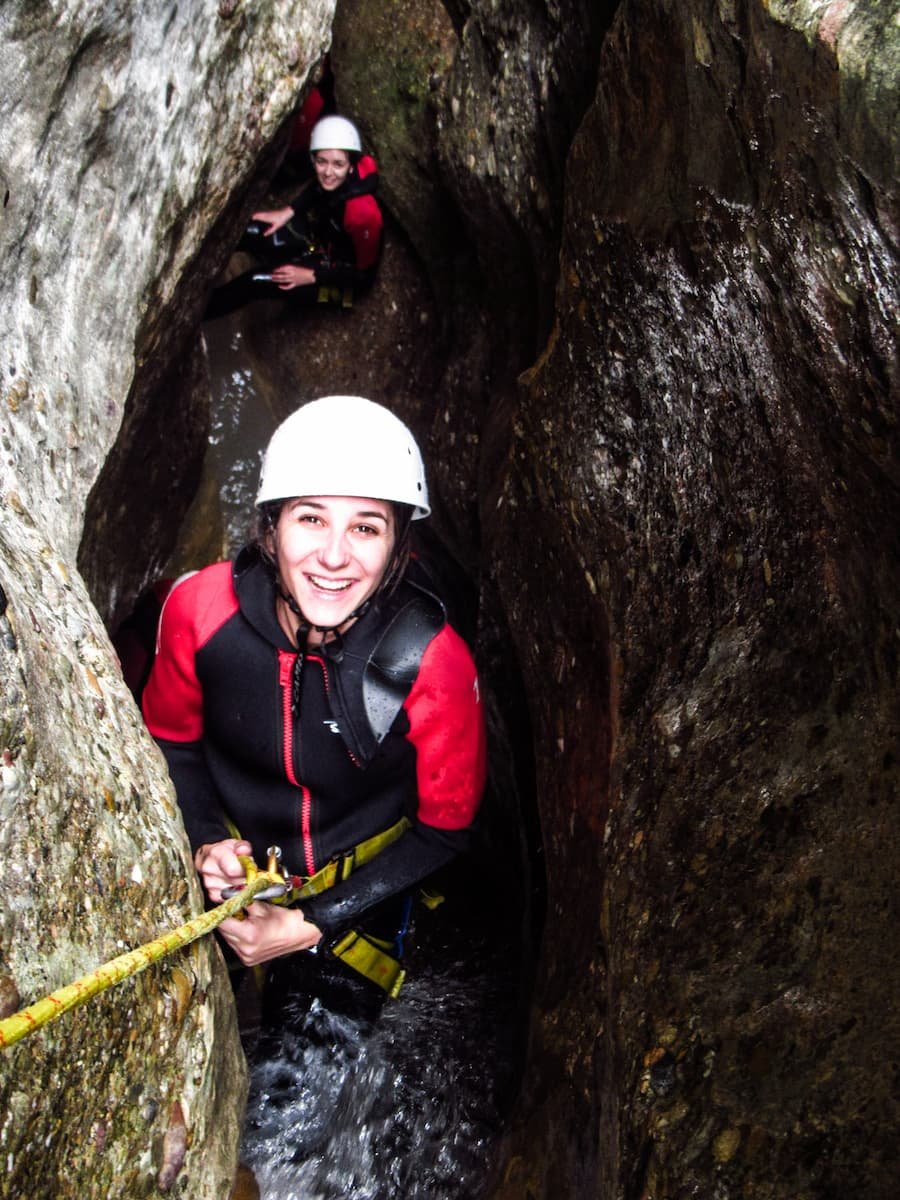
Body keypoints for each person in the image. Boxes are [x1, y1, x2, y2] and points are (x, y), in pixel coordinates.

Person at [141, 395, 486, 1002]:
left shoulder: (433, 664)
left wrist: (310, 923)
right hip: (230, 875)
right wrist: (203, 841)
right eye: (310, 518)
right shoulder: (199, 612)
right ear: (270, 529)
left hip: (362, 902)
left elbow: (446, 831)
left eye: (365, 527)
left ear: (399, 547)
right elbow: (171, 740)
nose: (333, 556)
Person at [205, 116, 383, 320]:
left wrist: (310, 275)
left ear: (351, 166)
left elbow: (361, 276)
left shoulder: (362, 215)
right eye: (321, 162)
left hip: (343, 285)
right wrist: (288, 211)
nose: (328, 172)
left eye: (338, 165)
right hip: (321, 240)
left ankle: (198, 314)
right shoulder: (339, 176)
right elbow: (319, 188)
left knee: (255, 281)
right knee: (248, 231)